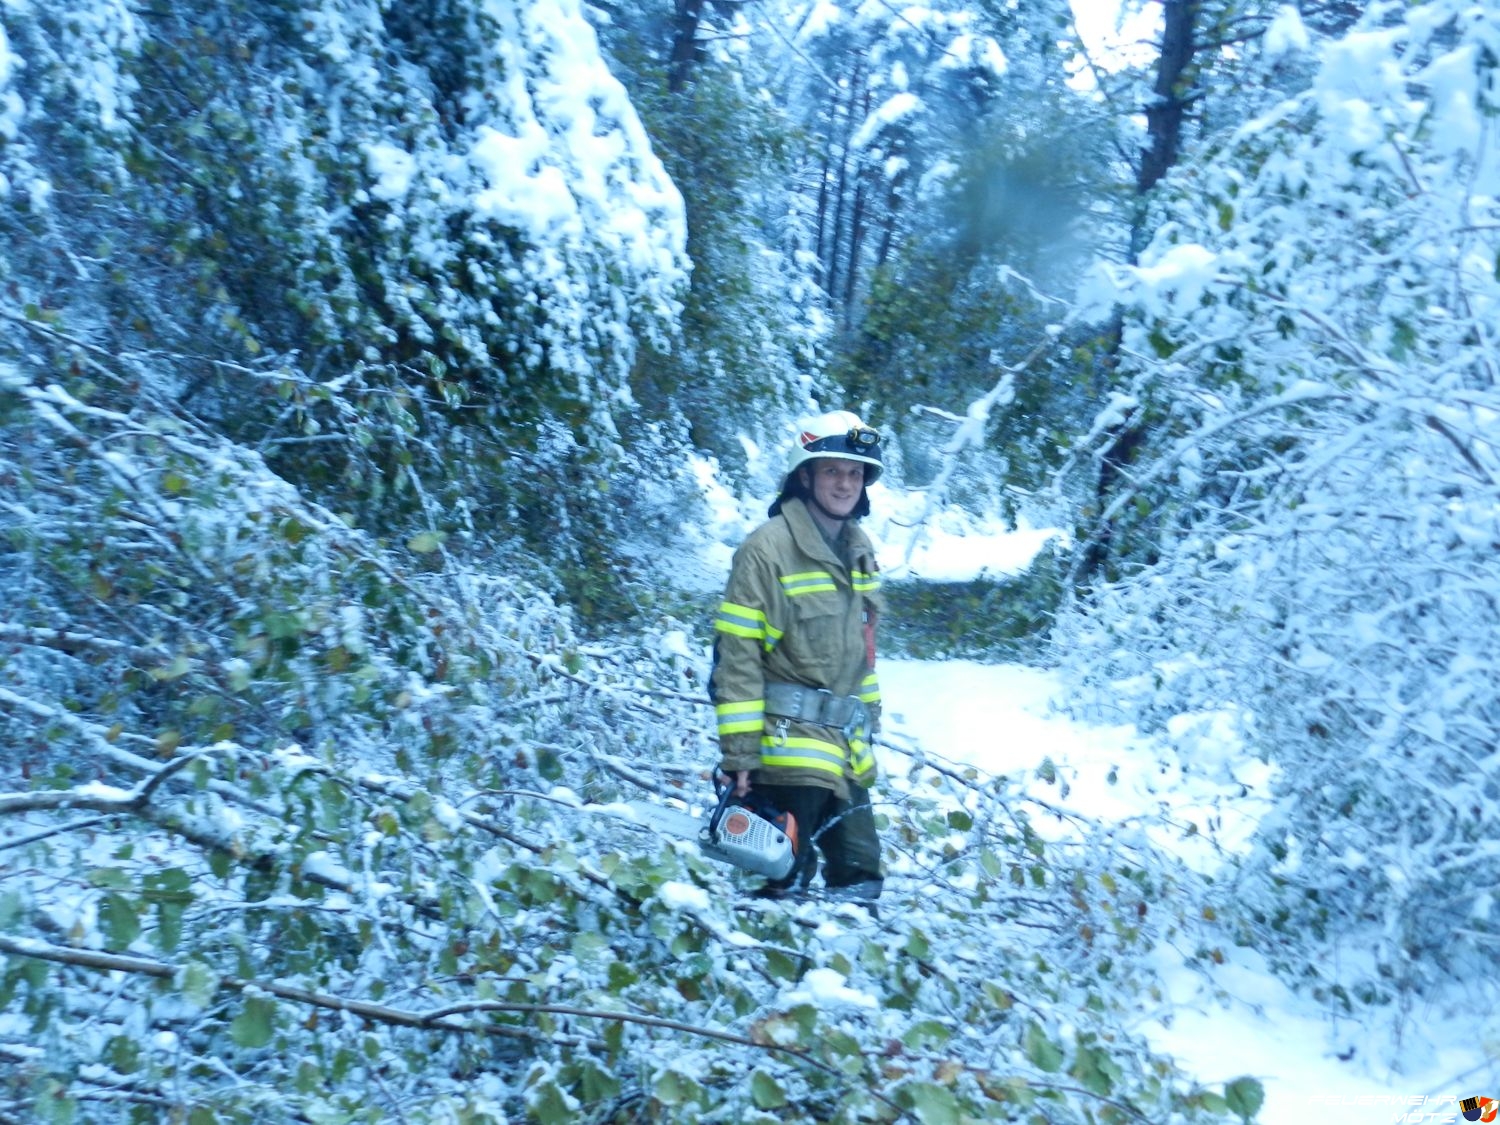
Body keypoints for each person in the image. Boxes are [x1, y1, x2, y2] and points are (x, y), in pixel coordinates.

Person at [709, 409, 886, 903]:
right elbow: (736, 659)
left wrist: (870, 725)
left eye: (855, 473)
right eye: (832, 471)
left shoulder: (860, 550)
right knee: (782, 881)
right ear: (804, 476)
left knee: (862, 881)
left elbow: (862, 656)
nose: (845, 484)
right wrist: (740, 756)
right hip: (785, 751)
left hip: (843, 752)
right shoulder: (767, 550)